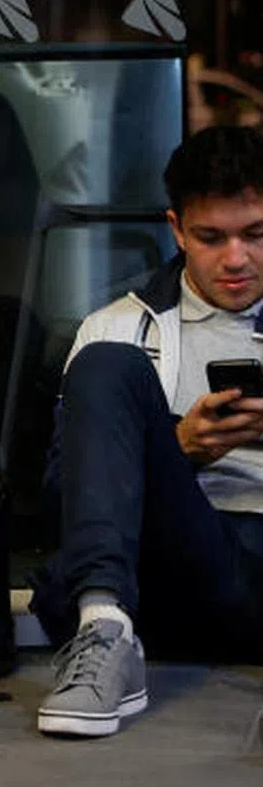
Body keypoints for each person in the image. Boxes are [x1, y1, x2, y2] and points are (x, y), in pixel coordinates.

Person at [29, 124, 263, 738]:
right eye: (211, 238)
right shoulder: (119, 326)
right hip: (187, 564)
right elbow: (59, 498)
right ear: (176, 229)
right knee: (108, 365)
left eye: (255, 234)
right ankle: (103, 627)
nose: (236, 259)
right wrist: (178, 448)